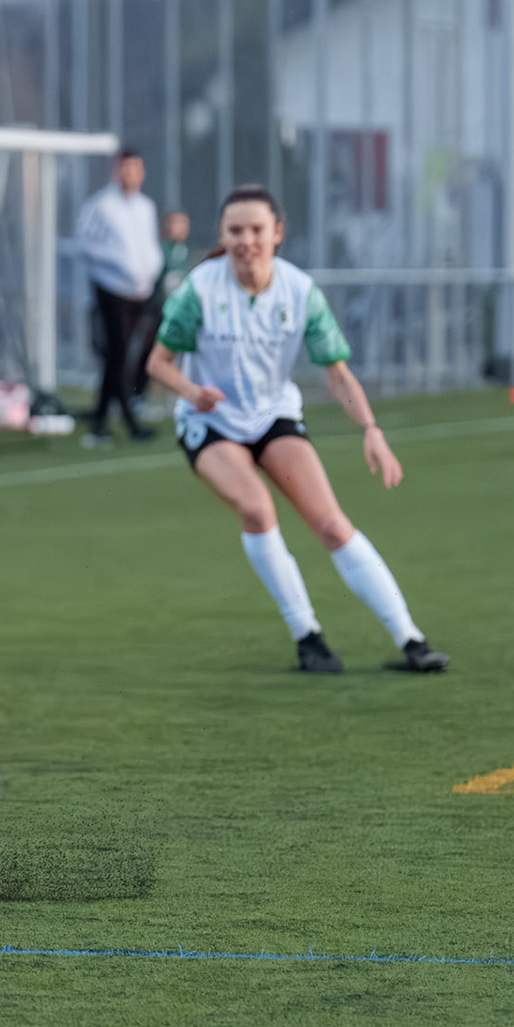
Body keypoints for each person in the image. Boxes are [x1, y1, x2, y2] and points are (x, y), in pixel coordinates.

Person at [145, 185, 449, 676]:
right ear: (222, 236)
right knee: (258, 508)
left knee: (330, 524)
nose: (246, 240)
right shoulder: (199, 289)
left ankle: (410, 638)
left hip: (272, 417)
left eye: (257, 230)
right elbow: (157, 363)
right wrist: (191, 391)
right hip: (210, 421)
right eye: (235, 230)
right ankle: (307, 636)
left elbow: (337, 373)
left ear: (277, 233)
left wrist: (370, 427)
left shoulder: (299, 291)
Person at [77, 149, 161, 446]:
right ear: (116, 171)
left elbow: (148, 246)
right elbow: (85, 243)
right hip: (111, 289)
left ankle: (101, 419)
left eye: (135, 168)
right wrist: (118, 262)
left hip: (140, 291)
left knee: (125, 355)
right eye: (125, 168)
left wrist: (150, 267)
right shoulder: (101, 206)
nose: (130, 174)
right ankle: (129, 420)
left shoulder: (145, 207)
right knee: (118, 354)